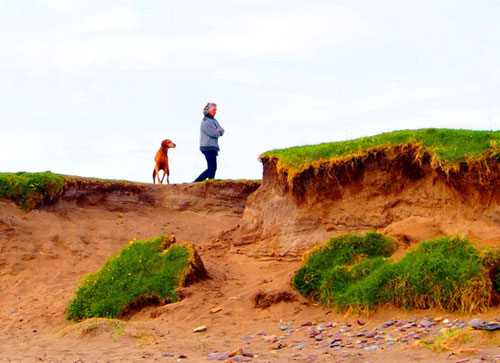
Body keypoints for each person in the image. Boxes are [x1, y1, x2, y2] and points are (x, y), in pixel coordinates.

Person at [194, 102, 224, 182]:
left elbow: (222, 130)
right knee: (212, 167)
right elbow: (215, 133)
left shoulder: (214, 120)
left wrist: (218, 130)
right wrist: (218, 130)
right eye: (214, 110)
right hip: (207, 147)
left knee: (212, 167)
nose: (215, 111)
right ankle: (207, 182)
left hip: (213, 147)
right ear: (208, 110)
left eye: (216, 110)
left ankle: (200, 182)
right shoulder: (206, 121)